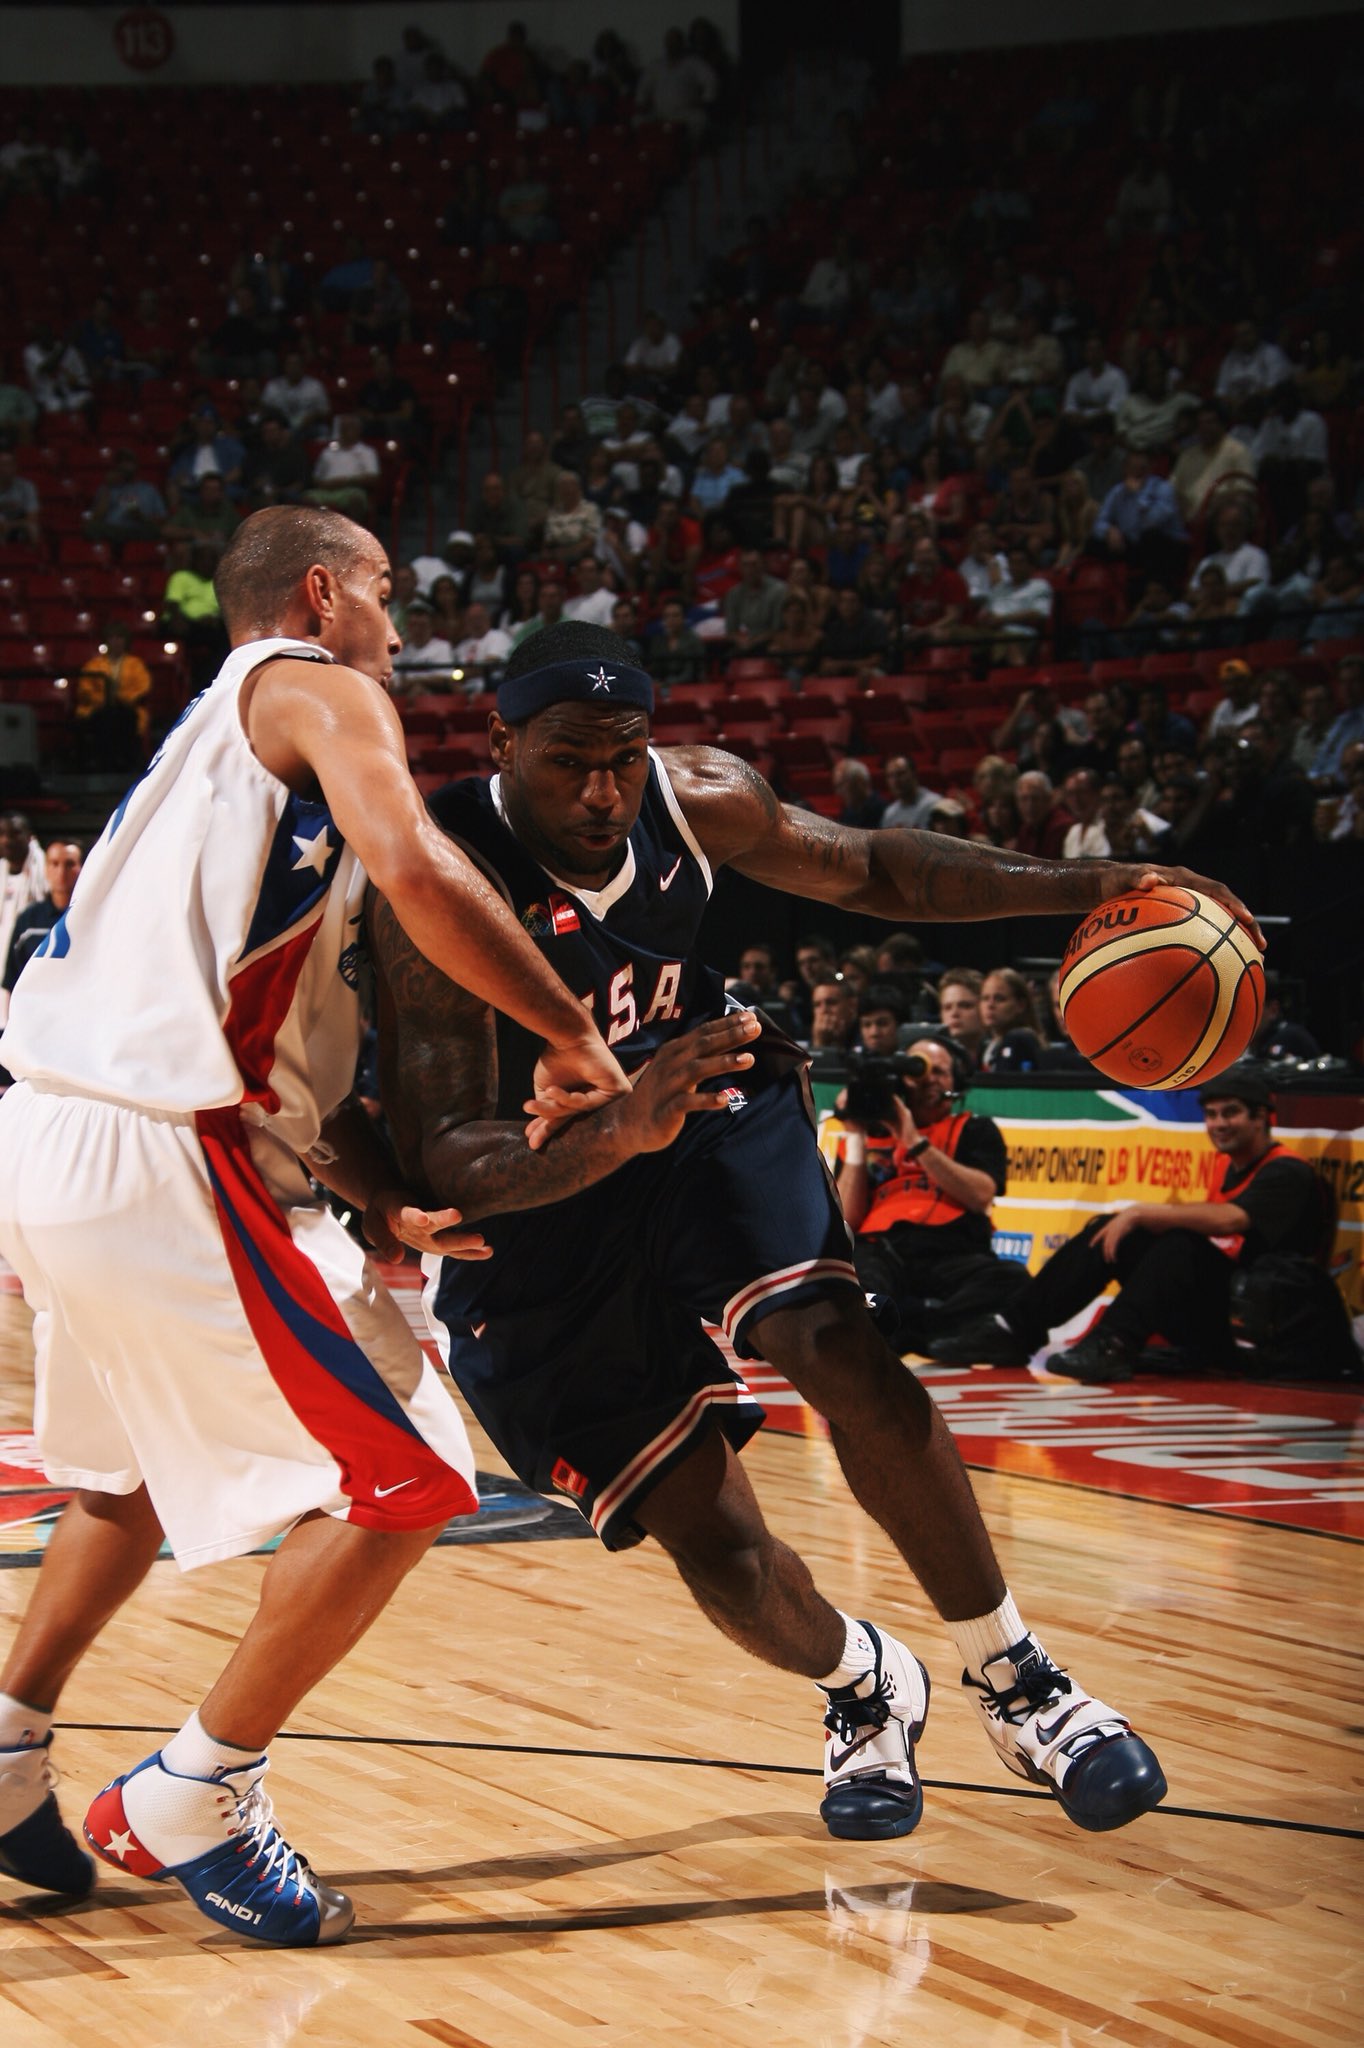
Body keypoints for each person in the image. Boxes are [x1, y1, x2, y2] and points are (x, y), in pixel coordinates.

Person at [372, 621, 1258, 1852]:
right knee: (713, 1540)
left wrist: (1089, 884)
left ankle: (1019, 1680)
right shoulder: (431, 876)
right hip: (537, 1208)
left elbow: (877, 869)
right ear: (502, 743)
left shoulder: (697, 801)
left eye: (622, 757)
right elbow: (453, 1154)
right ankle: (865, 1685)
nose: (601, 791)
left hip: (700, 1105)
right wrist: (618, 1121)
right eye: (569, 761)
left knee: (831, 1342)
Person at [0, 508, 627, 1945]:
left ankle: (8, 1745)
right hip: (159, 1149)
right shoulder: (313, 684)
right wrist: (568, 1028)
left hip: (50, 1126)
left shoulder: (200, 767)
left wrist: (366, 1190)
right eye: (392, 598)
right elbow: (411, 862)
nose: (402, 633)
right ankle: (198, 1793)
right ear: (323, 594)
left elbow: (265, 1026)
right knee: (409, 1480)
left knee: (121, 1486)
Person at [934, 1067, 1324, 1385]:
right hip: (1225, 1307)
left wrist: (1139, 1212)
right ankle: (1014, 1329)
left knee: (1177, 1242)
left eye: (1231, 1113)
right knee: (1113, 1230)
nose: (1219, 1123)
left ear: (1262, 1117)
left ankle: (1113, 1343)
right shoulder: (1225, 1166)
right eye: (1212, 1114)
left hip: (1264, 1325)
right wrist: (1130, 1220)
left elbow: (1232, 1219)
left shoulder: (1286, 1170)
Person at [834, 1037, 1027, 1352]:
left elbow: (980, 1196)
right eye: (919, 1071)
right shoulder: (870, 1136)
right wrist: (855, 1135)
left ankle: (905, 1327)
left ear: (956, 1081)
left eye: (940, 1071)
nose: (930, 1079)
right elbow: (848, 1220)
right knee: (854, 1287)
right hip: (883, 1250)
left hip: (950, 1250)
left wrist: (913, 1140)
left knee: (1012, 1280)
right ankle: (931, 1329)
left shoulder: (975, 1129)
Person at [2, 840, 82, 995]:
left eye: (69, 864)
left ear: (82, 867)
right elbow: (10, 981)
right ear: (45, 868)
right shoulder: (28, 920)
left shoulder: (92, 918)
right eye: (54, 863)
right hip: (34, 1014)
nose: (61, 872)